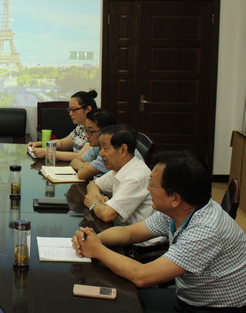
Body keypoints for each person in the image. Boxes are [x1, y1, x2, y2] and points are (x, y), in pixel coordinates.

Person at [72, 151, 246, 313]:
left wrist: (97, 250)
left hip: (211, 308)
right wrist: (93, 239)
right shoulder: (181, 210)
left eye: (152, 184)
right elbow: (129, 233)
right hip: (188, 296)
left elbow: (142, 276)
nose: (148, 189)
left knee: (119, 303)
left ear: (175, 198)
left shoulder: (205, 231)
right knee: (118, 296)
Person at [84, 124, 156, 231]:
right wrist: (98, 197)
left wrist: (93, 203)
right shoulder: (121, 167)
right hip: (121, 232)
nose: (101, 153)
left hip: (136, 240)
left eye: (105, 148)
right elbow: (93, 184)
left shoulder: (136, 177)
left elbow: (107, 215)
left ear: (123, 150)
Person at [28, 89, 98, 162]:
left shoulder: (96, 130)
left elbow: (80, 156)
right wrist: (40, 144)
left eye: (74, 109)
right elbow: (62, 143)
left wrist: (48, 152)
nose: (70, 114)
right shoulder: (81, 127)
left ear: (88, 109)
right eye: (69, 110)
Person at [71, 108, 118, 180]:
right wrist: (83, 165)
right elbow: (74, 161)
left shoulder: (112, 149)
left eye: (90, 131)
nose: (86, 135)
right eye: (86, 130)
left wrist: (86, 167)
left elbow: (82, 174)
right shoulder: (97, 147)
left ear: (105, 131)